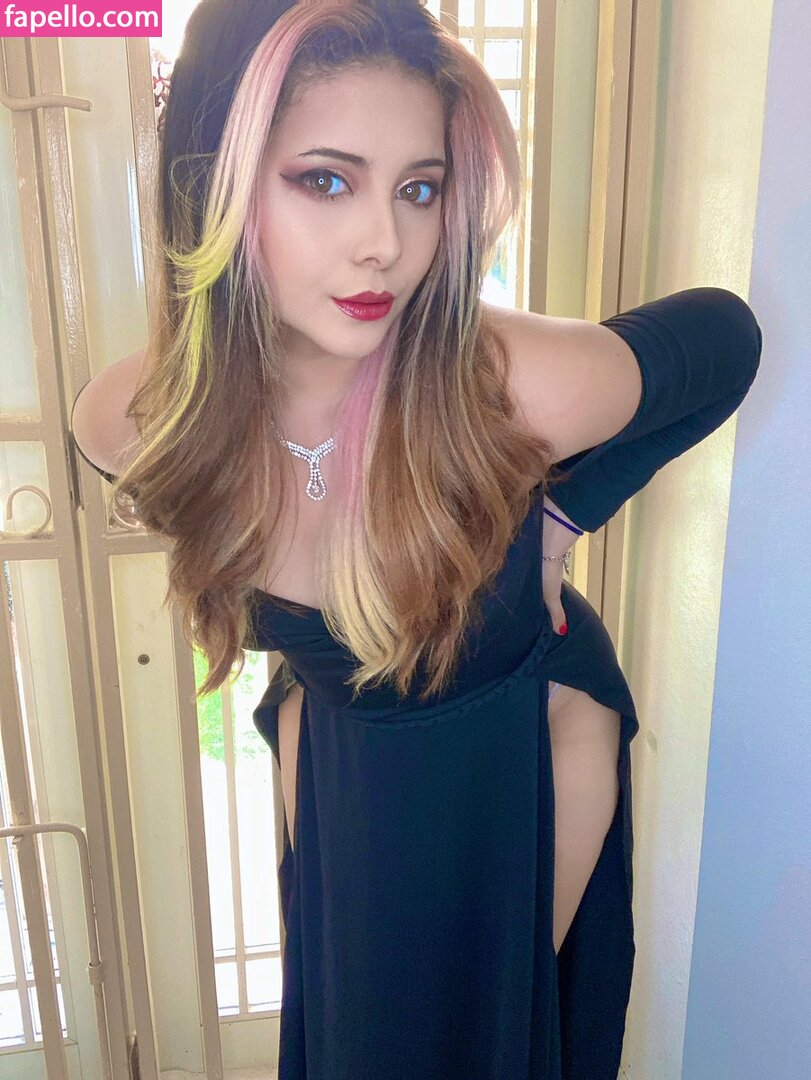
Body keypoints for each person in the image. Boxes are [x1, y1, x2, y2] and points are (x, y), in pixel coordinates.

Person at [69, 1, 763, 1076]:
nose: (385, 244)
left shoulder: (506, 389)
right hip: (344, 767)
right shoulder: (140, 422)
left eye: (419, 189)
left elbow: (724, 342)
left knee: (478, 1044)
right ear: (214, 188)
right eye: (325, 181)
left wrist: (558, 516)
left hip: (517, 763)